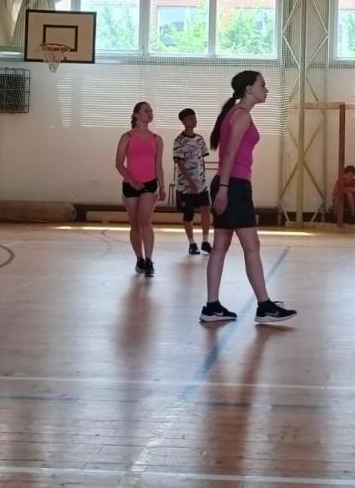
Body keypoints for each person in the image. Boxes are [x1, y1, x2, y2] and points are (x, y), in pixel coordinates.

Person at [200, 70, 296, 324]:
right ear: (249, 89)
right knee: (251, 245)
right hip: (233, 185)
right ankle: (264, 306)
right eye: (262, 84)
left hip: (229, 183)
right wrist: (224, 189)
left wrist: (223, 186)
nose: (266, 89)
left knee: (220, 246)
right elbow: (230, 154)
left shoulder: (235, 113)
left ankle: (212, 307)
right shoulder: (241, 115)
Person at [116, 102, 164, 277]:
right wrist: (132, 181)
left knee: (145, 221)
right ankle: (139, 258)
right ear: (136, 115)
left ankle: (149, 260)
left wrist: (162, 186)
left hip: (149, 184)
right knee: (135, 223)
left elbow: (158, 166)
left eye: (151, 110)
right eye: (146, 110)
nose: (150, 113)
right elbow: (119, 163)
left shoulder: (156, 139)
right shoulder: (127, 137)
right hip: (130, 185)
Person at [173, 108, 212, 256]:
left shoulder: (200, 139)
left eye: (195, 117)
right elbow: (180, 164)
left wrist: (201, 180)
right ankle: (192, 243)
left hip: (201, 184)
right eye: (190, 118)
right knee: (188, 215)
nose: (194, 120)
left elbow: (201, 160)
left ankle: (205, 241)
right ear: (183, 121)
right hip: (186, 186)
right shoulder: (179, 141)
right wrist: (191, 182)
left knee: (206, 210)